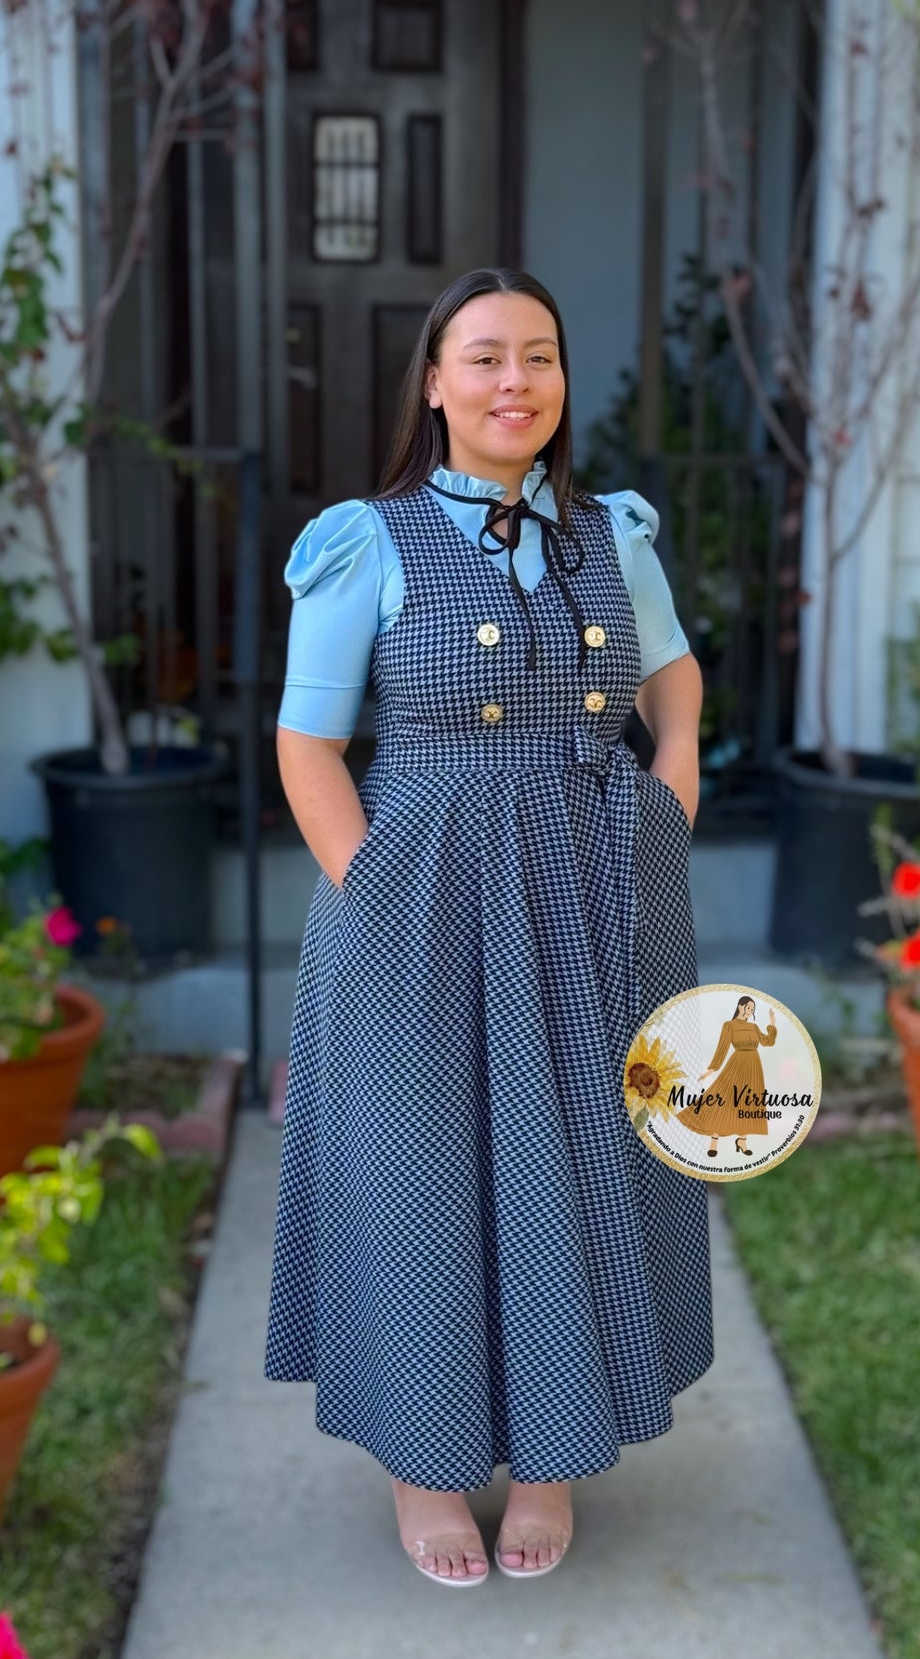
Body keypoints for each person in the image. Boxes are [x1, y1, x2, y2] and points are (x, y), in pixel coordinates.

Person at [265, 266, 713, 1588]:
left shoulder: (614, 533)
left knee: (581, 1149)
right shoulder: (369, 539)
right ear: (435, 381)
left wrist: (667, 800)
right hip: (420, 895)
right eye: (483, 358)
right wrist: (374, 895)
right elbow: (305, 746)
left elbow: (675, 686)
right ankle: (425, 1466)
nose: (514, 381)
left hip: (591, 887)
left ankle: (555, 1458)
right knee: (422, 1165)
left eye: (539, 356)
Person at [677, 995, 778, 1158]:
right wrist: (712, 1069)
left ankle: (742, 1141)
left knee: (748, 1102)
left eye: (752, 1009)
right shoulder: (729, 1025)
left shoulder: (753, 1027)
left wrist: (772, 1024)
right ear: (740, 1006)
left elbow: (767, 1042)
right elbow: (722, 1048)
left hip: (753, 1066)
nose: (749, 1011)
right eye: (748, 1007)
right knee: (723, 1100)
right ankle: (714, 1140)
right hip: (736, 1064)